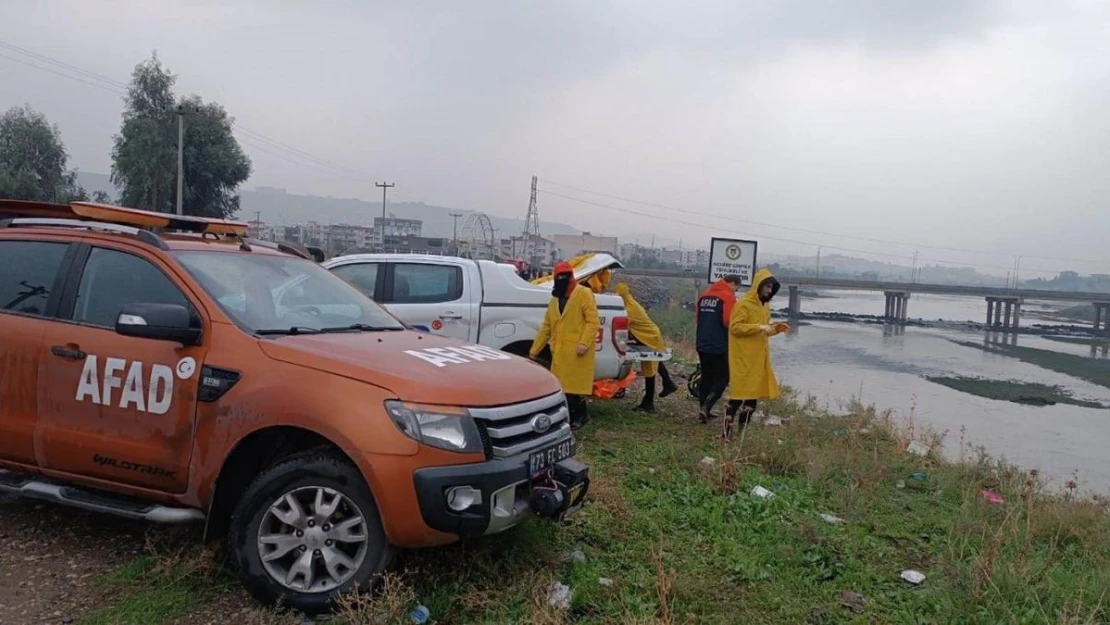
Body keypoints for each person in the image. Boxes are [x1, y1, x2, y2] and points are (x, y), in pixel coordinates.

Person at [530, 261, 600, 430]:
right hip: (560, 351)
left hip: (577, 351)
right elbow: (547, 327)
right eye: (559, 277)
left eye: (566, 277)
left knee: (574, 387)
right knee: (563, 387)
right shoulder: (555, 300)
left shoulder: (583, 293)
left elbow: (593, 321)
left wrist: (584, 343)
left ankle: (581, 415)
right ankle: (572, 416)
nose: (563, 280)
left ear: (571, 277)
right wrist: (534, 351)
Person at [724, 267, 789, 440]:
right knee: (739, 395)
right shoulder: (743, 304)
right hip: (743, 358)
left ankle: (742, 433)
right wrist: (758, 327)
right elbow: (735, 327)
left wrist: (776, 329)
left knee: (752, 397)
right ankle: (726, 433)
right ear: (758, 286)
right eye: (766, 286)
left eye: (771, 287)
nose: (769, 290)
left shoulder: (765, 305)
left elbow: (764, 330)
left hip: (759, 358)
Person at [614, 283, 678, 412]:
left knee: (649, 369)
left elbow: (622, 327)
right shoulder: (630, 304)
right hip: (648, 337)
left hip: (651, 338)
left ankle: (649, 402)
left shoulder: (630, 309)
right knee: (653, 364)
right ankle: (668, 383)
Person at [695, 274, 741, 422]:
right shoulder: (728, 297)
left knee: (707, 376)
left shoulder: (704, 295)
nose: (735, 292)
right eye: (736, 288)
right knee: (723, 378)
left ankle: (703, 409)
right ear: (732, 283)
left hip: (702, 342)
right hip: (719, 344)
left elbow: (697, 319)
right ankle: (707, 407)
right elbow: (728, 322)